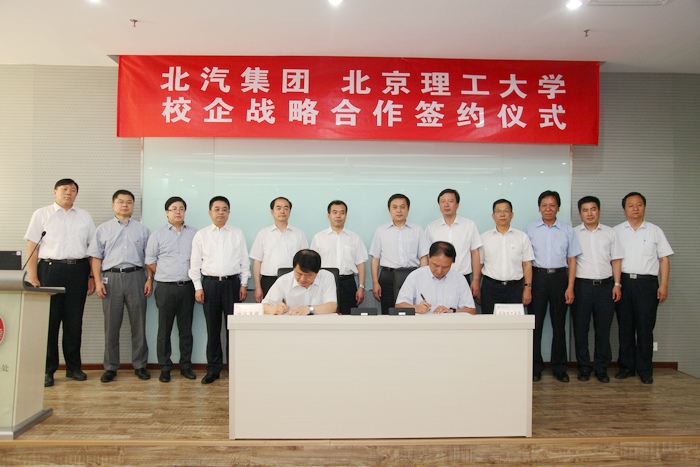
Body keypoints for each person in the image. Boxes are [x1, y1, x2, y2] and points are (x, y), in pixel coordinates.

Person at [24, 178, 96, 388]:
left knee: (74, 322)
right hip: (50, 270)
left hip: (78, 270)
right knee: (50, 322)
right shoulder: (42, 214)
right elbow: (32, 247)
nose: (68, 193)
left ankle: (74, 368)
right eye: (64, 189)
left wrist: (91, 276)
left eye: (73, 190)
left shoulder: (84, 216)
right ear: (54, 192)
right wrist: (33, 276)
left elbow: (92, 249)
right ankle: (48, 370)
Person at [88, 190, 152, 383]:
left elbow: (149, 258)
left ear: (133, 206)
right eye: (121, 201)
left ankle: (140, 365)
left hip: (136, 277)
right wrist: (97, 281)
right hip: (111, 278)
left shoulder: (143, 230)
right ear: (113, 205)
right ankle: (110, 367)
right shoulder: (103, 229)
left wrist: (149, 278)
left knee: (138, 325)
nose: (125, 205)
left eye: (129, 202)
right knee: (111, 325)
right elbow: (96, 257)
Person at [189, 196, 250, 385]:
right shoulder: (201, 235)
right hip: (210, 285)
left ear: (229, 212)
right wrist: (198, 287)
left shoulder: (237, 233)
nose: (221, 212)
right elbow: (195, 264)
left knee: (234, 329)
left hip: (233, 285)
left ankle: (235, 368)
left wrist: (243, 284)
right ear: (210, 212)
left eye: (224, 209)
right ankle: (213, 369)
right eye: (217, 209)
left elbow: (244, 261)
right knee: (213, 329)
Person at [613, 192, 673, 384]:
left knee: (645, 328)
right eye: (630, 205)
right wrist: (616, 284)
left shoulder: (655, 231)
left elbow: (664, 259)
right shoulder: (616, 231)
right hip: (623, 283)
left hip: (647, 285)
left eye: (639, 204)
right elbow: (612, 260)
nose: (635, 208)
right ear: (624, 209)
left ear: (644, 207)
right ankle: (626, 367)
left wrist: (663, 285)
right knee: (625, 328)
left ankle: (645, 370)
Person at [525, 190, 582, 383]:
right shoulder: (530, 229)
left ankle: (559, 367)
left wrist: (570, 287)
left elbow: (572, 260)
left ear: (558, 207)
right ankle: (535, 367)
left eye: (552, 205)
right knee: (536, 325)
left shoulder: (567, 230)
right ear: (539, 208)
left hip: (560, 279)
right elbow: (526, 261)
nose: (548, 209)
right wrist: (528, 286)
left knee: (559, 326)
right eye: (544, 205)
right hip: (538, 278)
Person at [145, 197, 198, 383]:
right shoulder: (157, 235)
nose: (178, 211)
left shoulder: (194, 234)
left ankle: (186, 366)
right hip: (165, 288)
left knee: (186, 330)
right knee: (164, 330)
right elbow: (150, 260)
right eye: (173, 208)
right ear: (167, 212)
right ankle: (165, 368)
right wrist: (164, 273)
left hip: (187, 287)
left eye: (181, 208)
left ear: (185, 212)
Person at [571, 196, 624, 383]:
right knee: (580, 330)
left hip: (605, 287)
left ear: (599, 211)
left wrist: (617, 284)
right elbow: (571, 262)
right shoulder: (573, 233)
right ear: (580, 213)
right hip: (581, 287)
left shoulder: (610, 233)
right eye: (585, 210)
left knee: (603, 330)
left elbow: (616, 260)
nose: (589, 213)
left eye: (593, 209)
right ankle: (584, 368)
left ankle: (601, 368)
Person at [369, 194, 428, 315]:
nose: (399, 210)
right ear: (389, 210)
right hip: (388, 276)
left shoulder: (418, 230)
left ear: (408, 209)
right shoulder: (381, 231)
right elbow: (375, 258)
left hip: (411, 275)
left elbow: (424, 257)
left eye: (402, 207)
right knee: (388, 311)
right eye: (395, 207)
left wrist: (422, 279)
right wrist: (375, 282)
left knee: (412, 311)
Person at [310, 200, 368, 314]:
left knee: (348, 317)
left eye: (342, 212)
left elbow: (360, 264)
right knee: (325, 316)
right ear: (328, 215)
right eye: (335, 212)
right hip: (324, 283)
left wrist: (361, 287)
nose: (338, 216)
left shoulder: (354, 238)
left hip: (347, 283)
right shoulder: (318, 237)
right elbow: (312, 265)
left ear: (346, 215)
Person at [424, 188, 483, 299]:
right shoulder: (431, 227)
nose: (446, 205)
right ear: (439, 205)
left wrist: (476, 279)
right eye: (443, 201)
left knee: (463, 308)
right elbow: (427, 256)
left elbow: (475, 253)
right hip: (437, 278)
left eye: (450, 201)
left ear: (457, 204)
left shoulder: (469, 225)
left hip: (463, 277)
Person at [479, 199, 534, 315]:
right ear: (493, 215)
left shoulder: (522, 237)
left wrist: (527, 288)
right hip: (490, 288)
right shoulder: (484, 238)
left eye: (506, 211)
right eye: (498, 211)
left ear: (512, 214)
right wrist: (477, 287)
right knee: (489, 322)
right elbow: (479, 264)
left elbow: (527, 264)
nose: (502, 214)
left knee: (514, 324)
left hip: (515, 288)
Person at [250, 197, 308, 302]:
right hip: (268, 281)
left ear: (290, 211)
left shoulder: (299, 234)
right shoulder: (263, 234)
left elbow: (304, 261)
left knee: (292, 310)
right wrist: (257, 287)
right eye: (279, 208)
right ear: (272, 211)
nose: (282, 211)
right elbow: (257, 261)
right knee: (269, 310)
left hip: (292, 280)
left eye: (286, 208)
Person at [395, 241, 476, 314]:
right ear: (429, 257)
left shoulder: (459, 279)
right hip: (422, 324)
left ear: (452, 262)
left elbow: (471, 311)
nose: (439, 271)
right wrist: (417, 308)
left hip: (449, 324)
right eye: (436, 265)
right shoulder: (415, 276)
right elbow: (399, 306)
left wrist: (452, 311)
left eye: (445, 267)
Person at [262, 249, 337, 315]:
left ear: (317, 273)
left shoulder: (326, 277)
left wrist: (309, 309)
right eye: (299, 274)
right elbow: (264, 306)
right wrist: (274, 309)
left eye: (308, 276)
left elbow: (332, 306)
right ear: (294, 268)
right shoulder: (284, 281)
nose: (302, 279)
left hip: (320, 323)